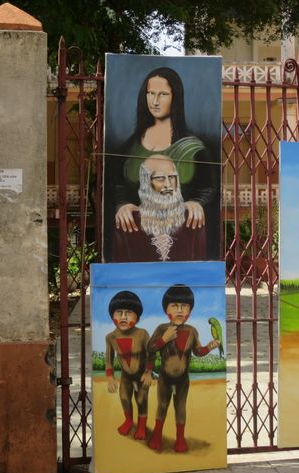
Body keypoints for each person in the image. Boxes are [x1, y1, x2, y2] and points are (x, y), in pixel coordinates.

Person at [105, 66, 219, 260]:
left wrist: (196, 202)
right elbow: (117, 184)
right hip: (137, 239)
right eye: (150, 93)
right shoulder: (128, 148)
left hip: (184, 237)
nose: (155, 101)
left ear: (175, 98)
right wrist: (123, 204)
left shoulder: (196, 148)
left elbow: (208, 187)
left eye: (163, 94)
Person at [147, 284, 220, 453]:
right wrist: (163, 340)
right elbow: (150, 349)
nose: (179, 310)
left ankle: (180, 440)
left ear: (190, 311)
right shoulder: (162, 329)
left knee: (180, 408)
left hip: (182, 380)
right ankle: (157, 436)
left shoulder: (192, 331)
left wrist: (210, 346)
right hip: (165, 378)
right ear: (166, 310)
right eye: (174, 305)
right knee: (162, 406)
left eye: (184, 306)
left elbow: (197, 351)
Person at [112, 154, 207, 262]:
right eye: (160, 178)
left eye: (172, 177)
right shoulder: (127, 220)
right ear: (146, 183)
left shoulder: (193, 218)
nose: (168, 184)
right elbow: (120, 270)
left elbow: (200, 268)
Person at [105, 291, 153, 440]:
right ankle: (128, 421)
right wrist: (110, 377)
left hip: (141, 374)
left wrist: (148, 372)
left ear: (137, 317)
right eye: (119, 312)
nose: (124, 317)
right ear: (112, 316)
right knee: (124, 398)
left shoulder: (142, 334)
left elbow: (151, 353)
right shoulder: (111, 337)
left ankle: (141, 426)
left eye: (129, 313)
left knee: (141, 400)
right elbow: (109, 358)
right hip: (126, 376)